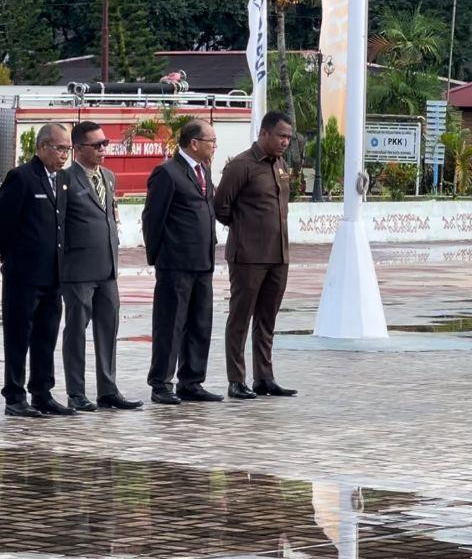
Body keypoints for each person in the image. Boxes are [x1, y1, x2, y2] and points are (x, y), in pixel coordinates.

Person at [213, 111, 299, 400]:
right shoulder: (241, 165)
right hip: (248, 256)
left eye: (288, 137)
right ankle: (236, 380)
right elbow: (221, 207)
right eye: (281, 136)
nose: (285, 142)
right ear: (264, 133)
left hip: (278, 255)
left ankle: (264, 377)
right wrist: (246, 229)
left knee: (267, 319)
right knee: (240, 319)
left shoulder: (280, 165)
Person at [0, 123, 73, 418]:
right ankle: (14, 396)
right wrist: (15, 255)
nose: (64, 155)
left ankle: (42, 392)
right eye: (59, 148)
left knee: (46, 336)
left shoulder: (61, 180)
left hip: (53, 274)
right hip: (24, 274)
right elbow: (0, 223)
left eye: (67, 149)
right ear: (41, 147)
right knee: (18, 337)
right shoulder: (22, 177)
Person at [59, 121, 143, 412]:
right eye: (96, 145)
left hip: (107, 268)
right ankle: (76, 392)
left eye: (105, 143)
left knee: (108, 330)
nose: (103, 149)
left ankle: (108, 389)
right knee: (76, 331)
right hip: (78, 269)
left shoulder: (108, 176)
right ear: (78, 148)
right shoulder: (65, 179)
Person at [142, 119, 222, 405]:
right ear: (194, 143)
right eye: (211, 141)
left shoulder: (204, 170)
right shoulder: (167, 173)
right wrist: (157, 257)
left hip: (203, 262)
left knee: (200, 324)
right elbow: (152, 218)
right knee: (170, 325)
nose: (215, 146)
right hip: (175, 264)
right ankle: (161, 383)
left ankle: (192, 381)